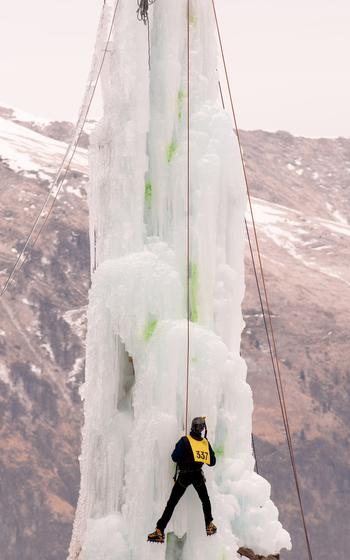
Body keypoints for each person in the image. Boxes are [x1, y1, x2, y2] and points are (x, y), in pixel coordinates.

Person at [147, 416, 217, 543]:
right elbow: (212, 462)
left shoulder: (185, 441)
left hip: (184, 476)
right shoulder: (205, 443)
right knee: (205, 500)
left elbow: (175, 457)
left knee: (171, 504)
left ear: (192, 427)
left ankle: (159, 531)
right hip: (197, 476)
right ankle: (209, 525)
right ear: (202, 429)